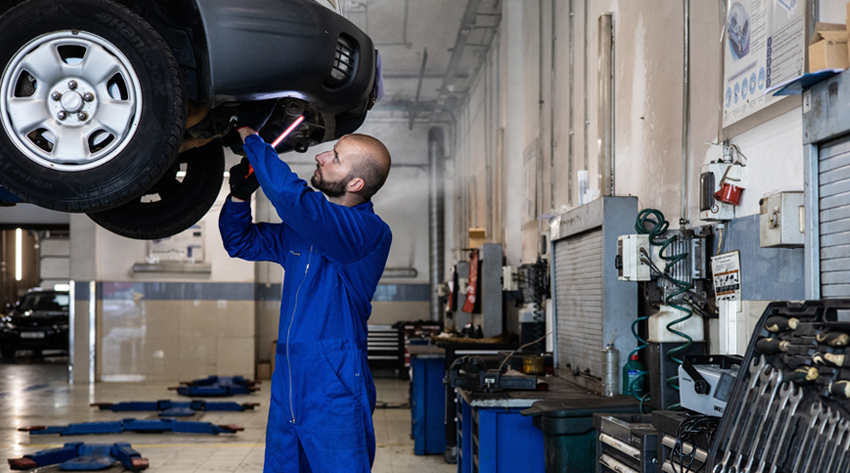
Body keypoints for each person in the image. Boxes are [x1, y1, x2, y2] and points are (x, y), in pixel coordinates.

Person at [219, 102, 392, 473]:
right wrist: (238, 195)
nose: (321, 155)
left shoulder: (368, 233)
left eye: (335, 156)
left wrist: (253, 140)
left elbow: (294, 201)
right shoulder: (304, 232)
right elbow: (241, 242)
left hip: (335, 380)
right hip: (290, 379)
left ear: (355, 183)